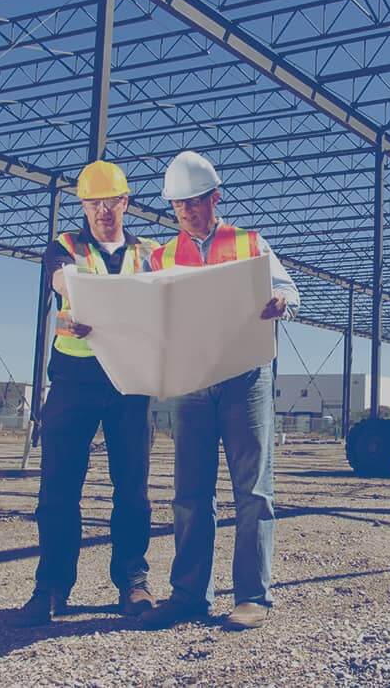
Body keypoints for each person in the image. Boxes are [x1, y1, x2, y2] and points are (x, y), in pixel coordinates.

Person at [139, 150, 299, 631]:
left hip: (246, 377)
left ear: (215, 198)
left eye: (194, 202)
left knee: (253, 490)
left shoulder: (250, 242)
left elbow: (291, 292)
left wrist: (280, 303)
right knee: (190, 492)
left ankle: (252, 596)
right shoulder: (161, 256)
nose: (186, 212)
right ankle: (189, 594)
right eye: (178, 206)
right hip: (192, 381)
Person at [11, 160, 161, 627]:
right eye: (93, 203)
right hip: (74, 380)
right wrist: (71, 288)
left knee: (132, 489)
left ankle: (133, 583)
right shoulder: (66, 247)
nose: (103, 211)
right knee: (58, 488)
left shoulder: (151, 253)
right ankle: (52, 587)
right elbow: (60, 277)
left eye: (111, 202)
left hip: (129, 380)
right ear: (83, 206)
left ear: (125, 203)